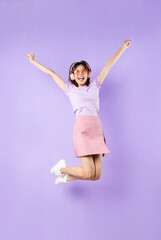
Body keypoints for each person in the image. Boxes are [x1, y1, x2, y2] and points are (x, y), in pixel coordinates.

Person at [27, 39, 132, 185]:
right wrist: (33, 61)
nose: (80, 74)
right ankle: (62, 169)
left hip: (96, 129)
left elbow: (109, 64)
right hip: (82, 130)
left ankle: (67, 177)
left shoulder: (95, 85)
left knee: (96, 176)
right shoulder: (70, 90)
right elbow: (51, 74)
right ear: (72, 76)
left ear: (88, 74)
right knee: (88, 172)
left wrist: (123, 47)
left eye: (83, 71)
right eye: (77, 72)